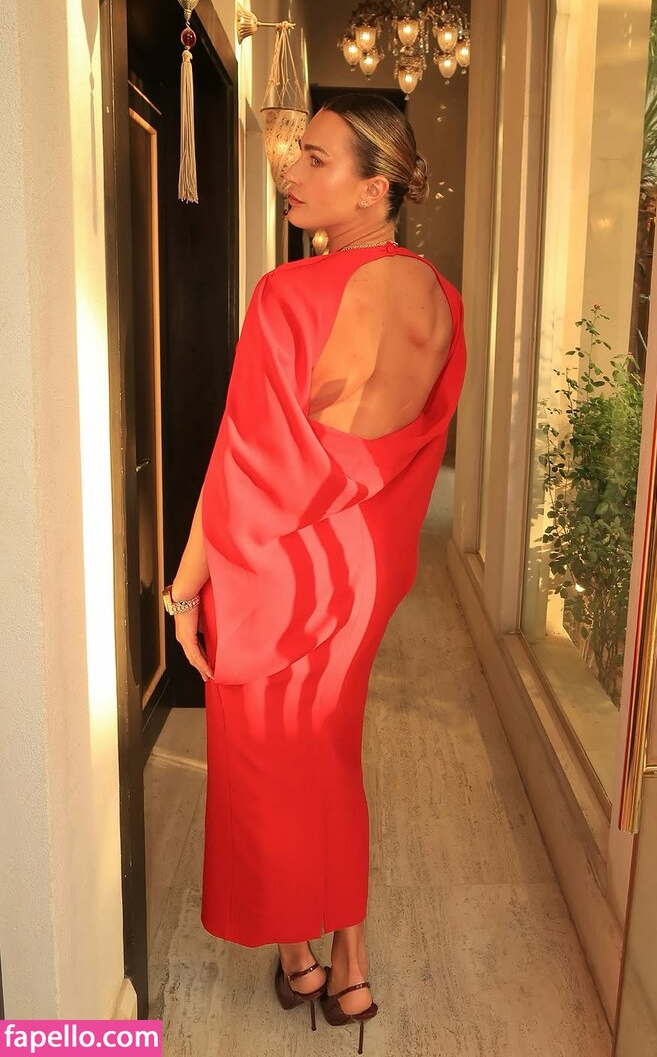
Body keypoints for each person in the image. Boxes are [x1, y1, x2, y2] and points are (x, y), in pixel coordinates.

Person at [163, 92, 467, 1052]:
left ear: (376, 188)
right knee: (326, 756)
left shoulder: (288, 295)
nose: (290, 171)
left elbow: (241, 461)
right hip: (363, 573)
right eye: (298, 154)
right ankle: (351, 965)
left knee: (268, 764)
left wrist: (184, 589)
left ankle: (302, 954)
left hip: (279, 572)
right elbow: (399, 451)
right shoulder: (440, 300)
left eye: (318, 159)